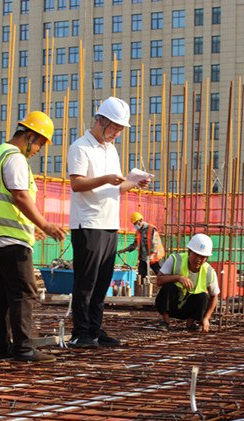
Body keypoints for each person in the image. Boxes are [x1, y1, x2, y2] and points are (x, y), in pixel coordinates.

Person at [0, 111, 66, 363]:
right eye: (40, 144)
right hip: (9, 239)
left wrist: (31, 228)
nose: (38, 150)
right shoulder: (15, 158)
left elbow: (7, 201)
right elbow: (20, 196)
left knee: (1, 294)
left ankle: (2, 348)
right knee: (24, 292)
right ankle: (23, 348)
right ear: (30, 136)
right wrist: (46, 224)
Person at [67, 96, 149, 348]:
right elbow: (77, 183)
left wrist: (134, 183)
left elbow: (115, 187)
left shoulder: (111, 150)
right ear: (100, 120)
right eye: (114, 127)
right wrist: (105, 179)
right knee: (86, 282)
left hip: (109, 223)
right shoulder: (80, 147)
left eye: (120, 129)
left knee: (103, 281)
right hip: (88, 224)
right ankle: (81, 332)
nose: (116, 134)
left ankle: (95, 328)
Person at [155, 234, 219, 332]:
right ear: (189, 252)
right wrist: (178, 278)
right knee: (168, 287)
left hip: (188, 309)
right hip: (172, 305)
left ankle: (191, 322)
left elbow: (214, 296)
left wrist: (206, 318)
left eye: (202, 257)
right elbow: (159, 280)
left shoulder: (209, 272)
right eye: (196, 255)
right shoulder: (175, 260)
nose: (198, 259)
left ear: (206, 258)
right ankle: (165, 320)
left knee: (203, 297)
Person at [118, 211, 165, 279]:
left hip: (155, 258)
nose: (135, 225)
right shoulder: (138, 232)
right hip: (144, 258)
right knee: (141, 277)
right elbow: (134, 245)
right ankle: (141, 285)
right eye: (134, 224)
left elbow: (155, 243)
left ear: (141, 220)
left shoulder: (151, 229)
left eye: (136, 223)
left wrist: (151, 254)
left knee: (162, 276)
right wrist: (124, 250)